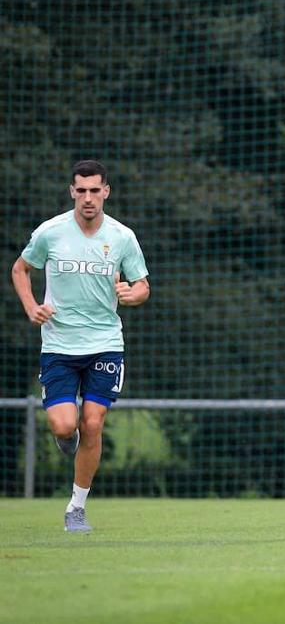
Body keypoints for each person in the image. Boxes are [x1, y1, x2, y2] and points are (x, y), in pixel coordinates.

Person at [10, 160, 150, 532]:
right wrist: (31, 307)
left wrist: (131, 294)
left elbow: (142, 286)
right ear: (72, 192)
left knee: (93, 422)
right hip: (58, 344)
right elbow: (20, 269)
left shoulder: (122, 237)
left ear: (106, 191)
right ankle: (66, 436)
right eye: (81, 190)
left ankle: (76, 507)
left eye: (95, 190)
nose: (88, 198)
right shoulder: (51, 232)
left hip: (105, 342)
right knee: (63, 425)